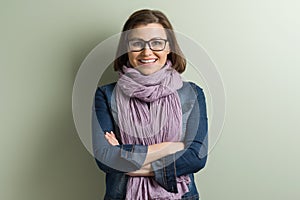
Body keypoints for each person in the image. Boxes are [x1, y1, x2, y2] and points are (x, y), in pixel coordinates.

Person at [92, 9, 208, 200]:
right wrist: (173, 147)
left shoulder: (193, 94)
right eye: (137, 43)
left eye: (156, 43)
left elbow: (197, 157)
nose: (147, 51)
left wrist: (128, 160)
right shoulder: (106, 95)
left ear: (169, 47)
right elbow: (105, 159)